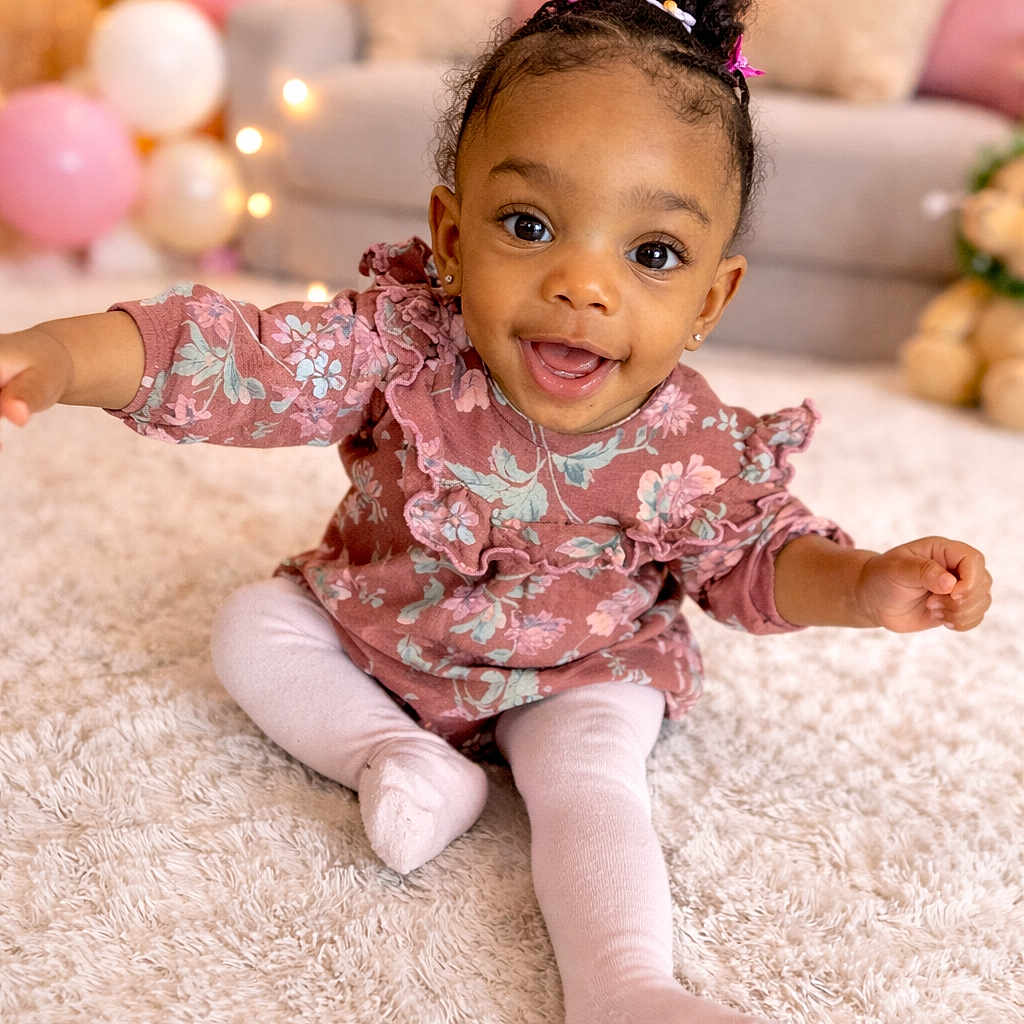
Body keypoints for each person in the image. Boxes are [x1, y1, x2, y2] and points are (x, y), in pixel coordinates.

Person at [0, 2, 992, 1021]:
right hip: (384, 628)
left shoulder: (687, 442)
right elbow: (230, 354)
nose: (582, 285)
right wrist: (71, 354)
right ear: (450, 236)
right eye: (529, 227)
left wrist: (865, 582)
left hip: (582, 664)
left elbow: (756, 555)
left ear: (710, 298)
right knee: (251, 627)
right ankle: (395, 757)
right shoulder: (397, 349)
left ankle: (625, 985)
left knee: (591, 784)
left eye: (651, 254)